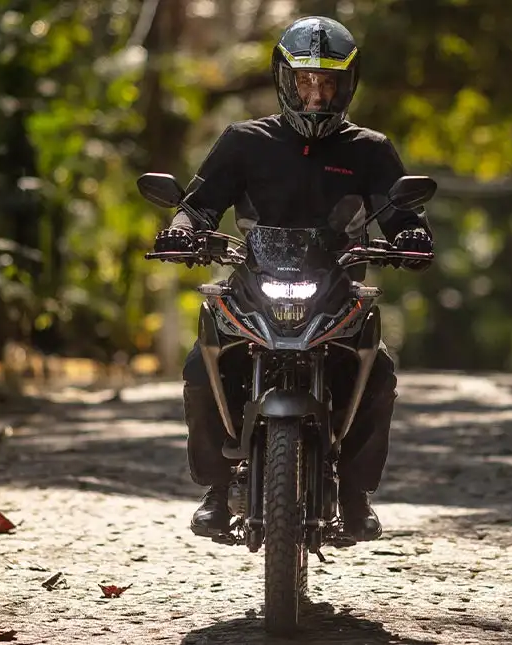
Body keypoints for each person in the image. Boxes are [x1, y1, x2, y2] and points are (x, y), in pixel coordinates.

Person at [150, 16, 434, 543]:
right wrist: (181, 230)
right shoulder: (243, 141)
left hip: (337, 290)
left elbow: (400, 214)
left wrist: (412, 236)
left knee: (379, 371)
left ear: (347, 85)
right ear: (284, 80)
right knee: (201, 363)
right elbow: (200, 205)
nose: (315, 95)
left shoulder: (369, 149)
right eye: (304, 81)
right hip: (252, 284)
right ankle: (216, 490)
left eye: (327, 83)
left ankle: (354, 495)